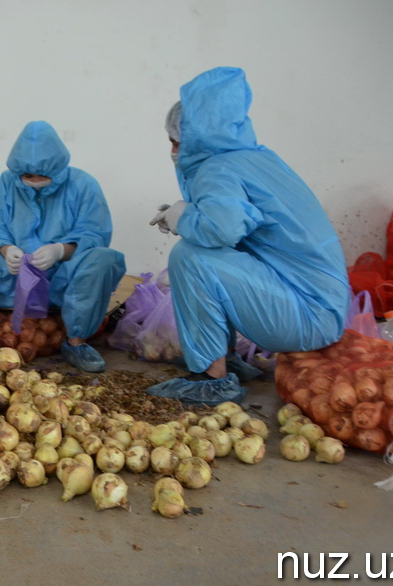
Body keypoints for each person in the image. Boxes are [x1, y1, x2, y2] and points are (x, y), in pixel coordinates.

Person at [147, 66, 351, 404]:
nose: (173, 149)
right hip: (322, 307)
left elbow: (221, 229)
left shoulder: (218, 168)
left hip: (305, 314)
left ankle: (211, 379)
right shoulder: (254, 159)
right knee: (199, 253)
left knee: (189, 255)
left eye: (176, 141)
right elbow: (238, 230)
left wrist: (182, 217)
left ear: (195, 136)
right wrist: (185, 214)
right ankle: (225, 359)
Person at [0, 120, 126, 372]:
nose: (33, 180)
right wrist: (7, 251)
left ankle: (76, 342)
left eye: (42, 175)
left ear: (59, 168)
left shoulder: (84, 185)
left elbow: (94, 234)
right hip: (13, 279)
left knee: (104, 258)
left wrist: (60, 250)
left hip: (62, 280)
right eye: (26, 175)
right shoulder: (5, 185)